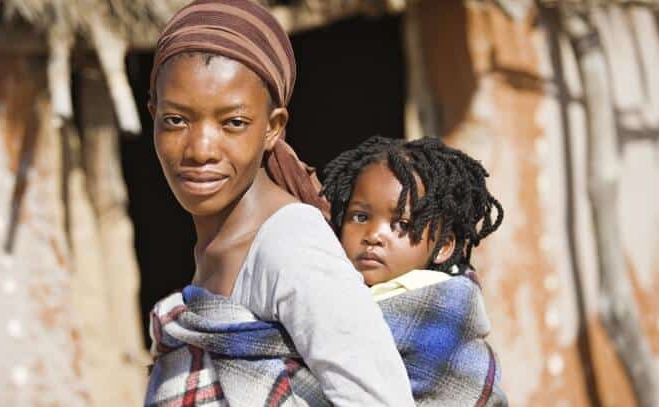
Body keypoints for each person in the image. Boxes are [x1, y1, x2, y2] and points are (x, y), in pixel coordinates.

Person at [145, 1, 414, 406]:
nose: (200, 150)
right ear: (153, 115)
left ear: (273, 128)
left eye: (233, 123)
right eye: (176, 120)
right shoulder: (219, 245)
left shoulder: (289, 244)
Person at [321, 135, 507, 405]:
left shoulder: (444, 311)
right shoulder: (322, 288)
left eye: (402, 224)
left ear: (443, 246)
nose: (374, 235)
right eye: (360, 217)